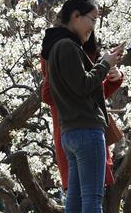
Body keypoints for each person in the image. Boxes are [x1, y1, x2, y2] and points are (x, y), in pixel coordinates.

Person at [43, 0, 124, 213]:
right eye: (92, 19)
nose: (93, 27)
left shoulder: (56, 46)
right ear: (76, 16)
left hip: (70, 133)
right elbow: (83, 85)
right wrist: (104, 64)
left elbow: (81, 84)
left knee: (76, 200)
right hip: (86, 131)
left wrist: (107, 68)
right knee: (92, 197)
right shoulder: (67, 47)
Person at [40, 30, 124, 195]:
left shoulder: (85, 50)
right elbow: (50, 94)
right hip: (76, 130)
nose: (91, 25)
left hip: (90, 129)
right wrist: (102, 69)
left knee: (91, 199)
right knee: (88, 200)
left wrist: (113, 77)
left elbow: (89, 95)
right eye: (90, 19)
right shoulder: (60, 49)